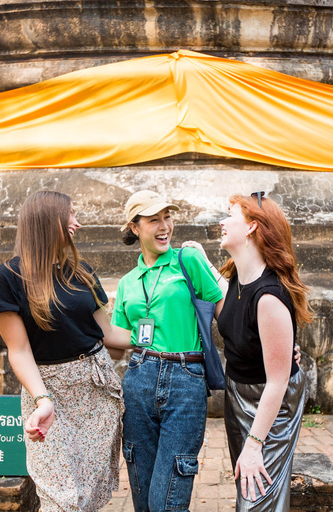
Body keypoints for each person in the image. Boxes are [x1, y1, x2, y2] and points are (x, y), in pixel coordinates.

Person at [0, 191, 128, 512]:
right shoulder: (7, 278)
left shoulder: (82, 271)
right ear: (49, 221)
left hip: (94, 388)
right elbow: (19, 351)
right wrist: (41, 399)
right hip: (48, 391)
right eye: (70, 216)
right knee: (60, 499)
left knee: (87, 496)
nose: (77, 223)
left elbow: (107, 333)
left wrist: (156, 336)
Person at [111, 190, 225, 512]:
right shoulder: (127, 283)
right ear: (135, 227)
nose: (164, 226)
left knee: (167, 502)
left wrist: (275, 344)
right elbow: (116, 346)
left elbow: (225, 314)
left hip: (185, 378)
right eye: (153, 220)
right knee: (144, 500)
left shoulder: (188, 261)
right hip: (138, 379)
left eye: (167, 217)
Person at [215, 192, 312, 512]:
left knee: (257, 499)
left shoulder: (269, 296)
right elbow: (231, 317)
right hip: (238, 394)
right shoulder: (236, 279)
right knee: (249, 485)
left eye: (230, 215)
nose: (222, 221)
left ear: (252, 227)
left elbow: (278, 381)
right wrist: (197, 256)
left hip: (270, 399)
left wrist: (255, 444)